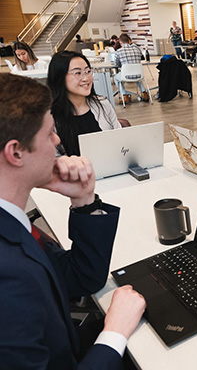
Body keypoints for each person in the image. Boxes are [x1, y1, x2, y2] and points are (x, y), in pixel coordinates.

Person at [0, 72, 146, 369]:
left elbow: (80, 278)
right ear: (15, 152)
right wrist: (114, 334)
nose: (57, 141)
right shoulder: (9, 274)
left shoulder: (11, 222)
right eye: (50, 133)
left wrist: (84, 200)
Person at [48, 51, 121, 156]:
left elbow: (120, 142)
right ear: (60, 78)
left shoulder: (103, 104)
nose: (86, 78)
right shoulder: (50, 118)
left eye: (88, 71)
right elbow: (53, 161)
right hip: (75, 172)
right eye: (78, 73)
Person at [113, 33, 149, 102]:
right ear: (129, 41)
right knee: (137, 75)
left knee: (116, 78)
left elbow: (117, 64)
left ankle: (124, 95)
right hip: (139, 75)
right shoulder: (137, 50)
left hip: (125, 76)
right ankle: (145, 93)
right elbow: (141, 58)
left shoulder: (119, 52)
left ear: (120, 41)